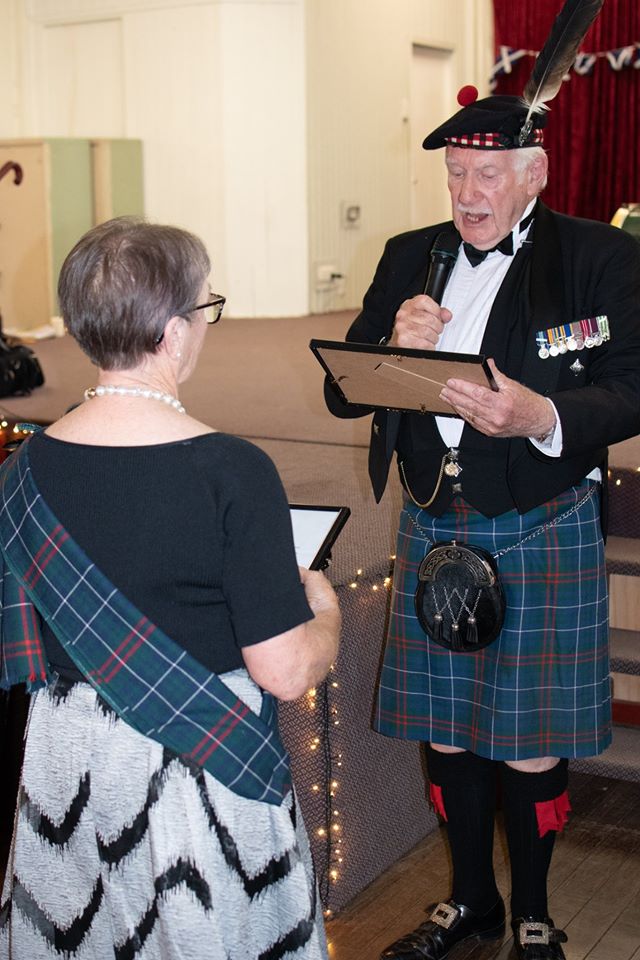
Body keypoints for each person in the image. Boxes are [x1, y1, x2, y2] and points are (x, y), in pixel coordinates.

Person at [324, 87, 640, 960]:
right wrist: (394, 345)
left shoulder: (600, 256)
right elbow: (342, 388)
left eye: (487, 175)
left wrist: (546, 416)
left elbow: (632, 382)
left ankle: (533, 911)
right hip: (435, 516)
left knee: (531, 739)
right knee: (447, 729)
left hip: (540, 520)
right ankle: (470, 902)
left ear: (534, 174)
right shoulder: (410, 256)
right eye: (456, 173)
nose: (467, 194)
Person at [0, 216, 341, 960]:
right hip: (195, 774)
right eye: (205, 306)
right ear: (173, 331)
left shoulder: (23, 470)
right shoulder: (232, 471)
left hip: (65, 765)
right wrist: (326, 613)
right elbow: (285, 671)